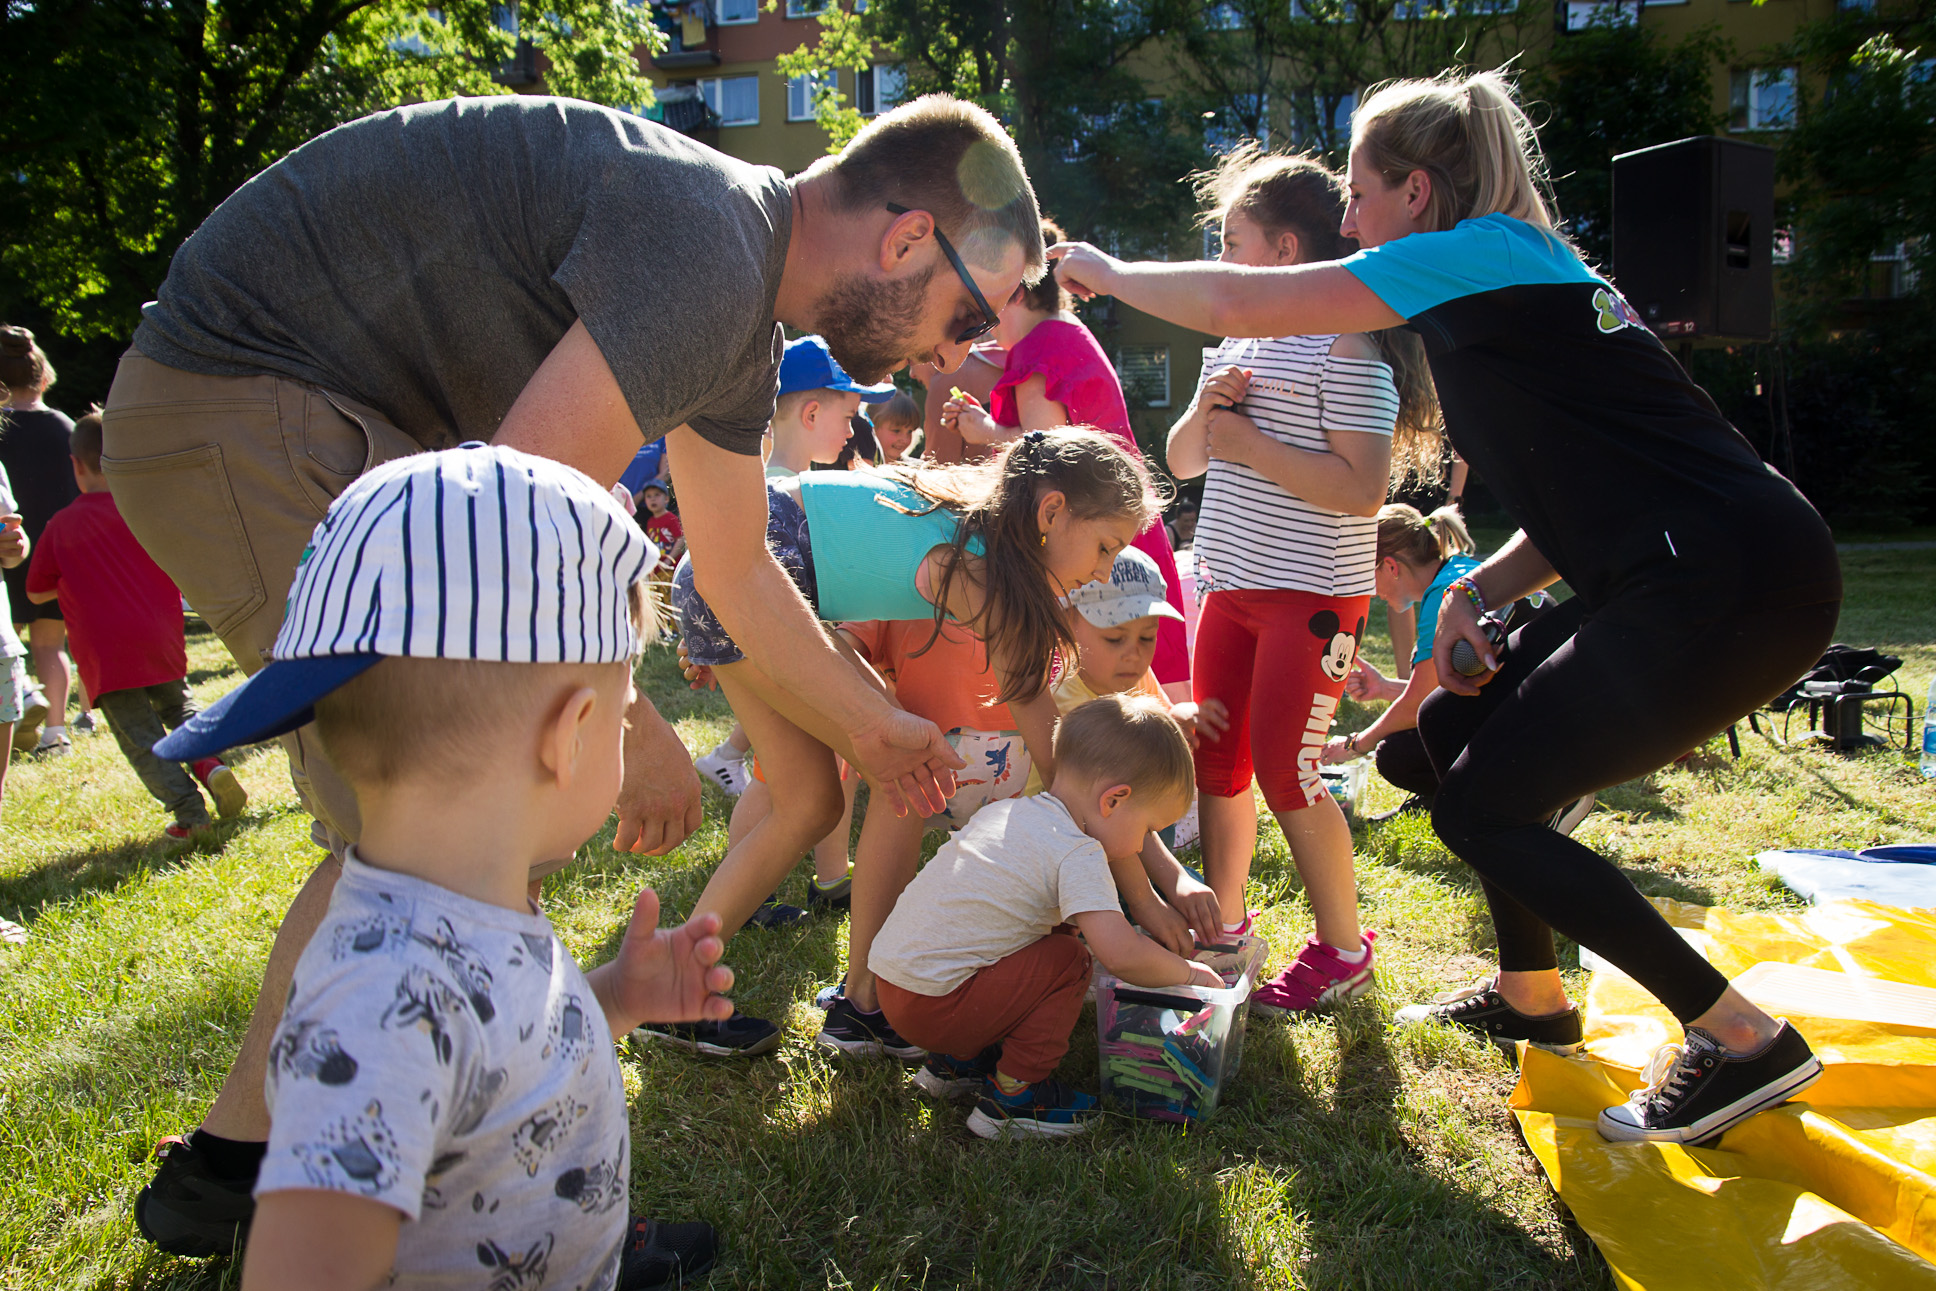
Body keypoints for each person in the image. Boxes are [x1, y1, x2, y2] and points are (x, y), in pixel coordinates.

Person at [113, 92, 1047, 1257]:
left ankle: (253, 1171)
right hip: (249, 401)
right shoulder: (713, 243)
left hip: (302, 410)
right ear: (908, 240)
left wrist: (870, 726)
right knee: (456, 803)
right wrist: (633, 719)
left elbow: (737, 564)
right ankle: (480, 1221)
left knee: (434, 823)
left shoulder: (736, 303)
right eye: (964, 316)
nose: (952, 359)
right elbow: (505, 526)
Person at [1050, 70, 1842, 1145]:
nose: (1348, 222)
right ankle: (1532, 996)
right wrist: (1473, 586)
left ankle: (1740, 1035)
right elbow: (1583, 503)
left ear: (1419, 193)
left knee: (1486, 806)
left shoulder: (1489, 254)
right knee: (1444, 735)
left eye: (1363, 196)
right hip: (1691, 563)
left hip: (1731, 577)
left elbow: (1240, 301)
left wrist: (1099, 268)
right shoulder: (1500, 282)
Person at [147, 445, 730, 1289]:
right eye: (627, 712)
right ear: (568, 735)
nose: (626, 731)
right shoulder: (382, 1002)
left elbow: (494, 1077)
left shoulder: (468, 906)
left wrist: (616, 998)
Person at [648, 428, 1156, 1058]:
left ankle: (677, 980)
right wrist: (1142, 873)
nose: (1104, 569)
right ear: (1051, 512)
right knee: (900, 768)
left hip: (739, 572)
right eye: (1106, 546)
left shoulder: (972, 525)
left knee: (810, 801)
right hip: (751, 576)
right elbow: (1050, 742)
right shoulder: (976, 568)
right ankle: (855, 1000)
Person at [1165, 147, 1443, 1017]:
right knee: (1219, 761)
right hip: (1231, 588)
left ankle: (1344, 949)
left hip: (1311, 600)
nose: (1220, 258)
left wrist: (1247, 444)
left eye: (1231, 239)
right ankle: (1228, 924)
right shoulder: (1234, 344)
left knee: (1290, 772)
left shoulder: (1346, 347)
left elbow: (1363, 489)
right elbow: (1180, 459)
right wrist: (1213, 417)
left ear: (1284, 251)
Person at [871, 693, 1224, 1138]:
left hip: (897, 986)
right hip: (937, 1003)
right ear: (1113, 800)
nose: (1140, 846)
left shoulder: (1008, 812)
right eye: (1147, 829)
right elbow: (1119, 954)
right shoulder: (1078, 851)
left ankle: (955, 1064)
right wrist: (1187, 974)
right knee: (1069, 961)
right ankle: (1014, 1100)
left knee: (1044, 936)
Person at [943, 218, 1191, 699]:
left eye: (987, 304)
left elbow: (1048, 454)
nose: (984, 322)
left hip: (1095, 542)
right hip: (1123, 532)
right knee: (1154, 694)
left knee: (1112, 694)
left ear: (1015, 292)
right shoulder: (1068, 332)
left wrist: (986, 431)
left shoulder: (1037, 347)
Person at [23, 412, 248, 837]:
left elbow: (36, 592)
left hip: (106, 652)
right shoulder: (148, 513)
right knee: (180, 707)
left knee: (141, 738)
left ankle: (191, 815)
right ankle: (210, 763)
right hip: (161, 637)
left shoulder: (62, 525)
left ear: (76, 465)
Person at [1018, 548, 1224, 942]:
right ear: (1067, 623)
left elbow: (1156, 743)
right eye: (1114, 637)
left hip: (1122, 841)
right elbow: (1106, 819)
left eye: (1147, 637)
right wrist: (1154, 897)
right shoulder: (1066, 703)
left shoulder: (1134, 675)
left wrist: (1176, 719)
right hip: (1065, 851)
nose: (1134, 653)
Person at [0, 326, 80, 756]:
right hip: (53, 555)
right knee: (51, 645)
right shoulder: (65, 427)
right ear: (42, 375)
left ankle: (23, 699)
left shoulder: (0, 427)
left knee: (5, 644)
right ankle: (55, 734)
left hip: (6, 548)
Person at [867, 391, 923, 463]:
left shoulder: (914, 468)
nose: (904, 439)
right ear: (872, 425)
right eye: (896, 431)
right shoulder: (856, 466)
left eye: (910, 432)